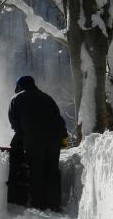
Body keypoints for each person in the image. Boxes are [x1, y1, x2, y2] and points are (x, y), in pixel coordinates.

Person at [7, 75, 68, 211]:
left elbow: (14, 123)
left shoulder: (16, 99)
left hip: (33, 140)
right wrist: (62, 140)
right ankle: (54, 205)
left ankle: (38, 204)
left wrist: (22, 140)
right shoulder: (48, 99)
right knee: (52, 170)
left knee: (36, 169)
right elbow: (60, 121)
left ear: (20, 86)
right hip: (54, 140)